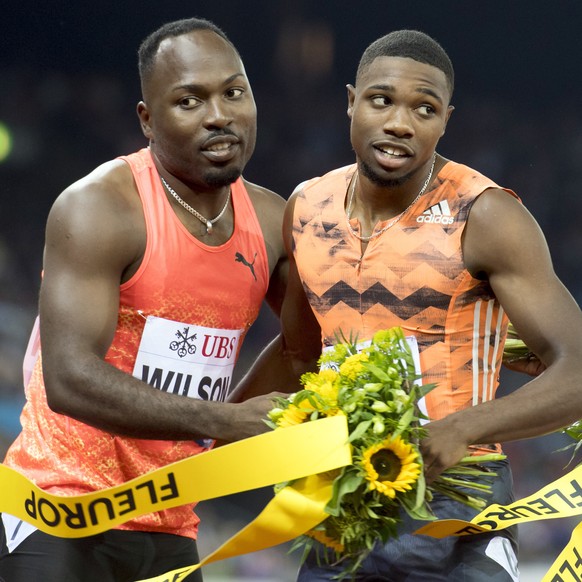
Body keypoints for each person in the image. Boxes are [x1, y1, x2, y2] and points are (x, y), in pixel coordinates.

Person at [232, 29, 582, 581]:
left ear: (445, 121)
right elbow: (301, 353)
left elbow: (578, 370)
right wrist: (211, 435)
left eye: (424, 108)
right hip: (344, 497)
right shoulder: (307, 205)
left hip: (459, 498)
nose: (400, 122)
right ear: (351, 102)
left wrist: (463, 427)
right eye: (381, 100)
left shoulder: (486, 216)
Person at [0, 17, 288, 582]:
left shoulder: (276, 223)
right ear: (147, 119)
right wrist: (224, 420)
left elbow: (311, 344)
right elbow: (69, 380)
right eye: (190, 100)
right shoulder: (100, 208)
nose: (219, 115)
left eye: (235, 92)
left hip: (170, 523)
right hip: (60, 512)